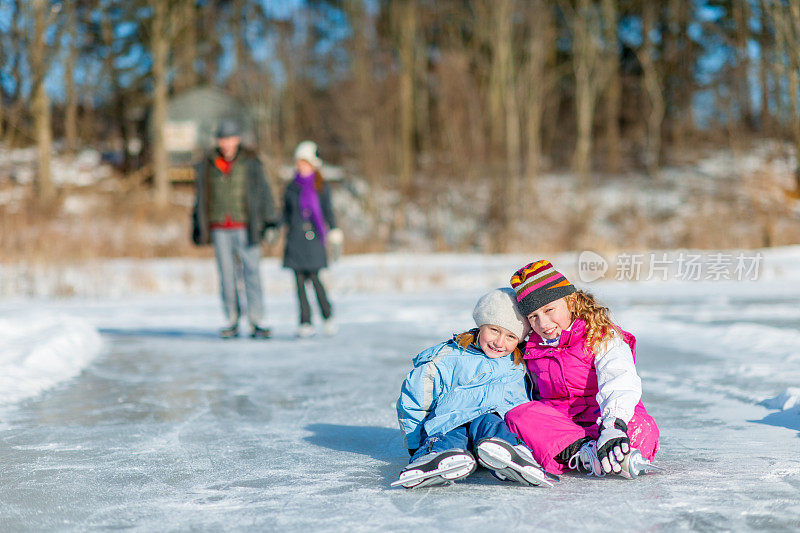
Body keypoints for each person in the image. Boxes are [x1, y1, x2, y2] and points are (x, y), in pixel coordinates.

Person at [505, 260, 660, 478]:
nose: (543, 322)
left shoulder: (602, 335)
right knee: (520, 415)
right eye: (533, 316)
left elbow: (619, 378)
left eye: (549, 310)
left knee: (643, 425)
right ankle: (584, 453)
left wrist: (613, 425)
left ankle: (615, 449)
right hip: (564, 428)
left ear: (572, 301)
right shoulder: (530, 348)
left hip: (606, 419)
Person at [394, 288, 556, 489]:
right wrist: (414, 444)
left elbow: (532, 401)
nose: (499, 342)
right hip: (450, 421)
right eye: (494, 330)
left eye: (510, 337)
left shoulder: (520, 365)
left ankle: (512, 454)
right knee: (450, 435)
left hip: (492, 427)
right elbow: (416, 398)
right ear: (481, 325)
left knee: (492, 423)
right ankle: (434, 457)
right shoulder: (450, 356)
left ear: (520, 340)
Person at [192, 118, 278, 339]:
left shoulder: (251, 162)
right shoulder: (208, 164)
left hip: (247, 226)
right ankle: (231, 319)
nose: (226, 144)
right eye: (222, 139)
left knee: (252, 273)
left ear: (237, 139)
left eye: (229, 139)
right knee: (226, 276)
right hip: (219, 226)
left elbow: (264, 193)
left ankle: (256, 319)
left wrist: (270, 222)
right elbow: (201, 198)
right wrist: (197, 225)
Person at [281, 141, 342, 338]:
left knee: (316, 281)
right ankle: (305, 322)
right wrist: (273, 226)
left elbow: (328, 211)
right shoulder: (291, 187)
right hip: (295, 240)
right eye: (299, 162)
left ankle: (327, 316)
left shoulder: (321, 186)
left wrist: (333, 230)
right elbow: (285, 213)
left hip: (314, 239)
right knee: (299, 285)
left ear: (313, 164)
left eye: (305, 162)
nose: (302, 166)